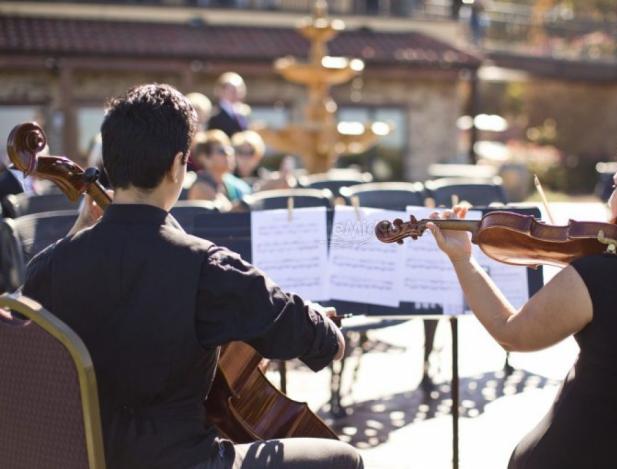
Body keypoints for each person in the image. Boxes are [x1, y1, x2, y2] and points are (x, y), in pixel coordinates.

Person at [22, 83, 362, 469]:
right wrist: (322, 323)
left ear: (111, 164)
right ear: (177, 164)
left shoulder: (49, 268)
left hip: (81, 461)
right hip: (184, 461)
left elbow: (24, 327)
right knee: (343, 459)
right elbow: (319, 342)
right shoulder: (206, 267)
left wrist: (76, 236)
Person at [427, 125, 617, 468]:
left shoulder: (599, 277)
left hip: (586, 453)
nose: (610, 199)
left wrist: (462, 260)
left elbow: (511, 333)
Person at [188, 129, 252, 207]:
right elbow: (224, 216)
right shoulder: (200, 188)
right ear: (205, 158)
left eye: (230, 150)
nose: (229, 154)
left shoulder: (228, 182)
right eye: (222, 151)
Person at [208, 72, 250, 137]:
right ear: (221, 91)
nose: (236, 92)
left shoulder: (243, 112)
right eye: (232, 89)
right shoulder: (214, 114)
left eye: (238, 89)